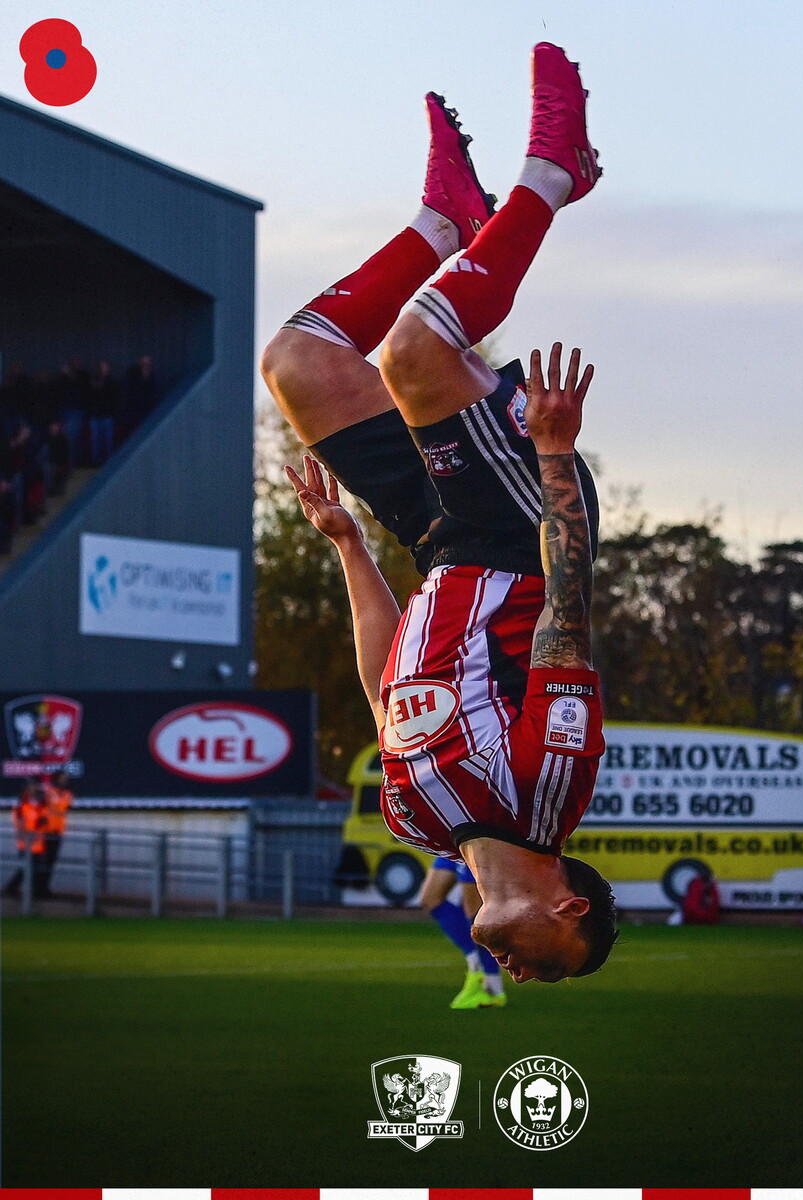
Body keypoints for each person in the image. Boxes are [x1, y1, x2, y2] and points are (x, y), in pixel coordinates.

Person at [264, 43, 618, 984]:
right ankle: (555, 173)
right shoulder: (549, 792)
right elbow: (567, 612)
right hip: (517, 529)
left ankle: (443, 221)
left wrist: (350, 547)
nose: (526, 976)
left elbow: (387, 688)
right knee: (415, 352)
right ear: (570, 906)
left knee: (298, 365)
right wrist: (553, 453)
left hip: (435, 545)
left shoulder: (415, 819)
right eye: (550, 966)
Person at [420, 857, 505, 1008]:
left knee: (474, 913)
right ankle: (475, 961)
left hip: (471, 845)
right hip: (451, 844)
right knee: (430, 898)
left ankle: (493, 987)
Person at [3, 780, 48, 899]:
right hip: (26, 843)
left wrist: (42, 822)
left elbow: (44, 821)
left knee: (35, 869)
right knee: (26, 869)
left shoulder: (39, 805)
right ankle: (12, 889)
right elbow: (19, 824)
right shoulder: (20, 807)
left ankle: (31, 893)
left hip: (38, 844)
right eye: (30, 789)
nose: (33, 791)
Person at [42, 771, 74, 895]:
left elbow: (66, 808)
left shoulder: (68, 794)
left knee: (51, 861)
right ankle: (38, 888)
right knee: (42, 861)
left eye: (66, 778)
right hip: (46, 831)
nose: (64, 780)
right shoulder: (49, 792)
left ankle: (44, 887)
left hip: (58, 832)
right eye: (62, 778)